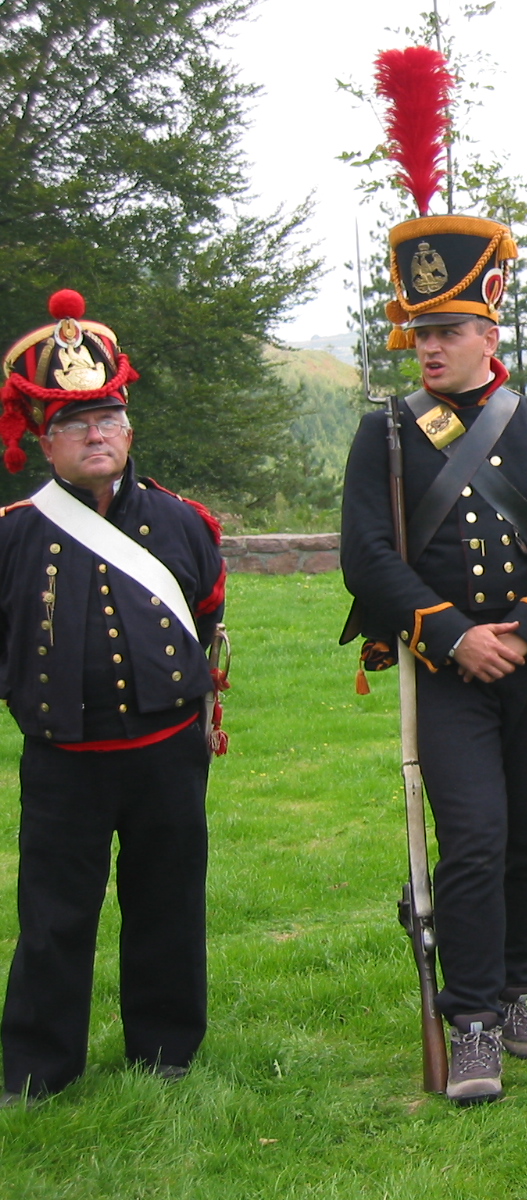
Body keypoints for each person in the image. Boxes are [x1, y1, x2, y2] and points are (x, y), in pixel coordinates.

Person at [340, 209, 527, 1105]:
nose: (429, 347)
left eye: (448, 331)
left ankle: (516, 989)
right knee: (473, 841)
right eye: (421, 332)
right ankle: (473, 1021)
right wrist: (456, 634)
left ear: (489, 335)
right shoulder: (385, 434)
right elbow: (367, 557)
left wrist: (525, 630)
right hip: (445, 669)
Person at [0, 290, 226, 1105]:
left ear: (129, 430)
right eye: (74, 424)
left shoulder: (183, 522)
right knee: (53, 914)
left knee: (168, 902)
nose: (95, 435)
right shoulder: (13, 533)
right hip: (63, 758)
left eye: (107, 419)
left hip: (166, 752)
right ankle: (37, 1069)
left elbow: (207, 618)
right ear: (45, 441)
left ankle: (166, 1052)